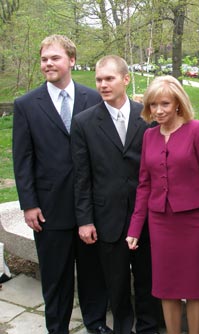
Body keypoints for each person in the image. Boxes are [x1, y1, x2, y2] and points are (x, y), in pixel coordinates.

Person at [12, 34, 111, 334]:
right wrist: (29, 204)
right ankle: (57, 328)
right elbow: (22, 159)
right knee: (56, 277)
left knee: (93, 274)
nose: (48, 64)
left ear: (71, 60)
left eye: (54, 58)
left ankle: (95, 323)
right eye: (44, 59)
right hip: (49, 210)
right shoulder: (26, 105)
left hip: (89, 209)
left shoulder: (93, 99)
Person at [126, 75, 199, 334]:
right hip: (160, 222)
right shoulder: (149, 136)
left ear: (178, 103)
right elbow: (144, 185)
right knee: (165, 286)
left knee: (193, 287)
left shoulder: (198, 129)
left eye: (165, 104)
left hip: (192, 222)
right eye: (153, 105)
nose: (158, 110)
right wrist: (135, 229)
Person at [71, 55, 160, 334]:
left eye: (109, 78)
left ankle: (148, 327)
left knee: (148, 277)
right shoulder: (84, 122)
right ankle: (122, 327)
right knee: (117, 281)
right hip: (107, 216)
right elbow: (81, 176)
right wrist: (85, 220)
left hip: (145, 216)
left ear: (125, 79)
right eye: (99, 79)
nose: (103, 84)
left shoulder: (147, 116)